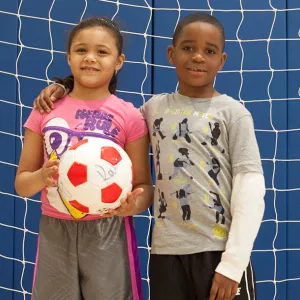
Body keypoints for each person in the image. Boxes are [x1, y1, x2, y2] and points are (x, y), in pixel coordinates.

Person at [32, 13, 265, 300]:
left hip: (218, 252)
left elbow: (251, 190)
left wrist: (233, 264)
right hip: (166, 253)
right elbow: (105, 113)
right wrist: (64, 88)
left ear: (222, 60)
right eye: (188, 48)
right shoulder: (153, 110)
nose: (198, 57)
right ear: (171, 54)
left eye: (210, 51)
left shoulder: (234, 114)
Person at [15, 17, 153, 300]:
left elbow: (144, 187)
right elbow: (21, 184)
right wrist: (42, 177)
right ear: (68, 57)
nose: (90, 58)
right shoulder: (45, 110)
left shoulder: (130, 116)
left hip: (108, 231)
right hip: (55, 228)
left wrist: (131, 206)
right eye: (81, 50)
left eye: (102, 52)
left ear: (119, 61)